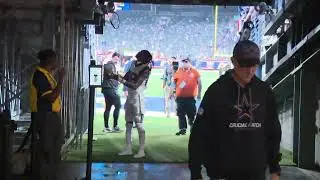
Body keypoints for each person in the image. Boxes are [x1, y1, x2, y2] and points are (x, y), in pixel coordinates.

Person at [188, 40, 282, 180]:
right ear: (233, 61)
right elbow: (199, 133)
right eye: (244, 65)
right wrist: (195, 173)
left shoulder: (264, 92)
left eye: (254, 65)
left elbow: (273, 131)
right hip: (222, 173)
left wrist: (274, 169)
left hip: (256, 173)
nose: (250, 71)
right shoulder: (216, 91)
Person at [109, 50, 153, 158]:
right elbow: (126, 78)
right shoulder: (135, 65)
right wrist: (115, 76)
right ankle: (128, 148)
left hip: (137, 97)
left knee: (138, 124)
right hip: (130, 96)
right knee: (128, 123)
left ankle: (141, 150)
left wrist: (119, 78)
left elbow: (135, 85)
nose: (137, 60)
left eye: (139, 59)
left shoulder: (146, 69)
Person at [29, 49, 65, 180]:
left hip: (51, 116)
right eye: (55, 59)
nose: (57, 61)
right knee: (47, 149)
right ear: (49, 60)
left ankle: (52, 175)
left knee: (54, 148)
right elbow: (51, 97)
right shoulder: (40, 76)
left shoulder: (46, 74)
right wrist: (61, 79)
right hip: (45, 117)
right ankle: (45, 176)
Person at [173, 58, 202, 136]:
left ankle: (192, 127)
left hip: (190, 98)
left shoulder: (194, 72)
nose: (184, 63)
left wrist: (199, 94)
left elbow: (200, 83)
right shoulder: (178, 72)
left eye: (186, 62)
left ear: (189, 63)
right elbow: (175, 83)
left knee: (191, 114)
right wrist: (173, 92)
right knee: (180, 114)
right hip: (179, 98)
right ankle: (182, 129)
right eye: (183, 62)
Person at [101, 52, 121, 132]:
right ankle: (114, 126)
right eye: (115, 58)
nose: (116, 60)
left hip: (107, 89)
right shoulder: (109, 65)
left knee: (108, 107)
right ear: (112, 58)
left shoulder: (111, 65)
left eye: (117, 59)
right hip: (109, 89)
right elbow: (110, 75)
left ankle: (106, 127)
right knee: (118, 105)